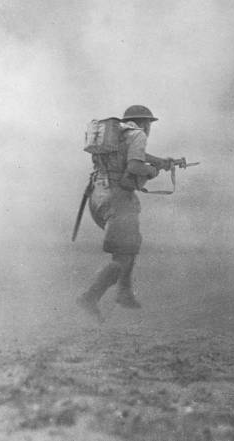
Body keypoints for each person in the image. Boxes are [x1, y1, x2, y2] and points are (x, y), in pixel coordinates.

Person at [77, 105, 172, 322]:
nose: (149, 129)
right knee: (122, 257)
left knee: (129, 246)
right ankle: (90, 297)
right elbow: (136, 167)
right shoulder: (138, 135)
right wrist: (154, 171)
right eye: (149, 124)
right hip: (118, 198)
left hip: (97, 196)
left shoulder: (117, 134)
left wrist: (159, 160)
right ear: (145, 123)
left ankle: (124, 292)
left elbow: (129, 157)